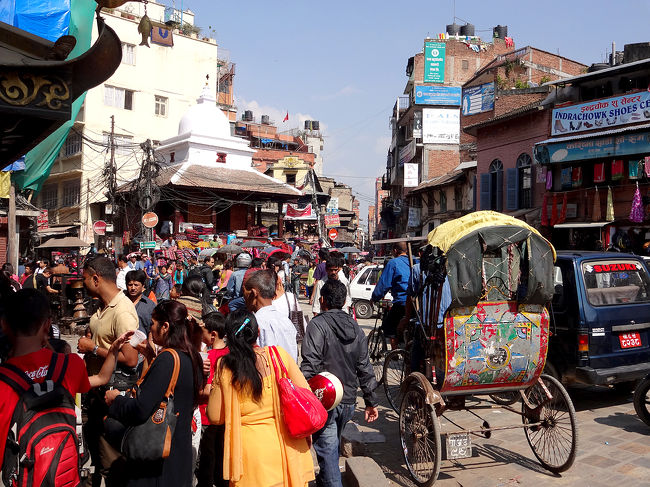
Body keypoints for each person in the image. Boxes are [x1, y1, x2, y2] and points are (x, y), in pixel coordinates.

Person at [0, 290, 133, 463]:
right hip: (63, 469)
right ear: (48, 326)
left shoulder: (4, 380)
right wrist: (113, 350)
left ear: (4, 325)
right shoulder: (68, 364)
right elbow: (102, 378)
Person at [207, 310, 315, 487]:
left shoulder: (225, 366)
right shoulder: (278, 355)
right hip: (287, 447)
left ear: (229, 337)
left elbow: (215, 416)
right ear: (257, 333)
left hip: (250, 454)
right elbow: (307, 396)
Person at [104, 300, 205, 486]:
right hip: (179, 454)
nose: (150, 329)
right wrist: (151, 357)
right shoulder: (192, 356)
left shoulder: (167, 359)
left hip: (158, 458)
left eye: (152, 323)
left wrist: (116, 399)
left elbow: (141, 409)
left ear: (165, 326)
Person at [301, 279, 379, 487]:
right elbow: (365, 367)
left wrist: (303, 396)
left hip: (325, 400)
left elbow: (310, 364)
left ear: (322, 300)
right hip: (348, 401)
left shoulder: (317, 325)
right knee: (330, 448)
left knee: (327, 452)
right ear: (345, 301)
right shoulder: (355, 326)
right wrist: (371, 401)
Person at [76, 256, 139, 487]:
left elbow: (130, 358)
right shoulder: (102, 306)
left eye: (84, 279)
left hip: (111, 397)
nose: (82, 284)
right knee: (98, 458)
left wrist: (92, 347)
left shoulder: (122, 310)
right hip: (96, 393)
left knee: (112, 464)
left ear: (96, 278)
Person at [197, 311, 228, 487]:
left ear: (213, 335)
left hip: (207, 415)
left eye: (204, 332)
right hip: (224, 415)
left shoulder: (209, 357)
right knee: (221, 458)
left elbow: (207, 391)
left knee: (207, 462)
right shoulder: (230, 352)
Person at [243, 269, 298, 361]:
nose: (243, 298)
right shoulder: (285, 320)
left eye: (244, 292)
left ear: (253, 293)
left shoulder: (256, 322)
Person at [371, 241, 411, 349]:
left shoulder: (393, 263)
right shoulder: (415, 261)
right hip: (417, 303)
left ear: (395, 251)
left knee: (389, 326)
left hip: (401, 302)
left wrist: (375, 297)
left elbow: (383, 285)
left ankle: (394, 351)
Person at [125, 270, 156, 336]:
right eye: (130, 285)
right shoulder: (120, 302)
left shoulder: (150, 306)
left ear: (143, 286)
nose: (133, 288)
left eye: (136, 285)